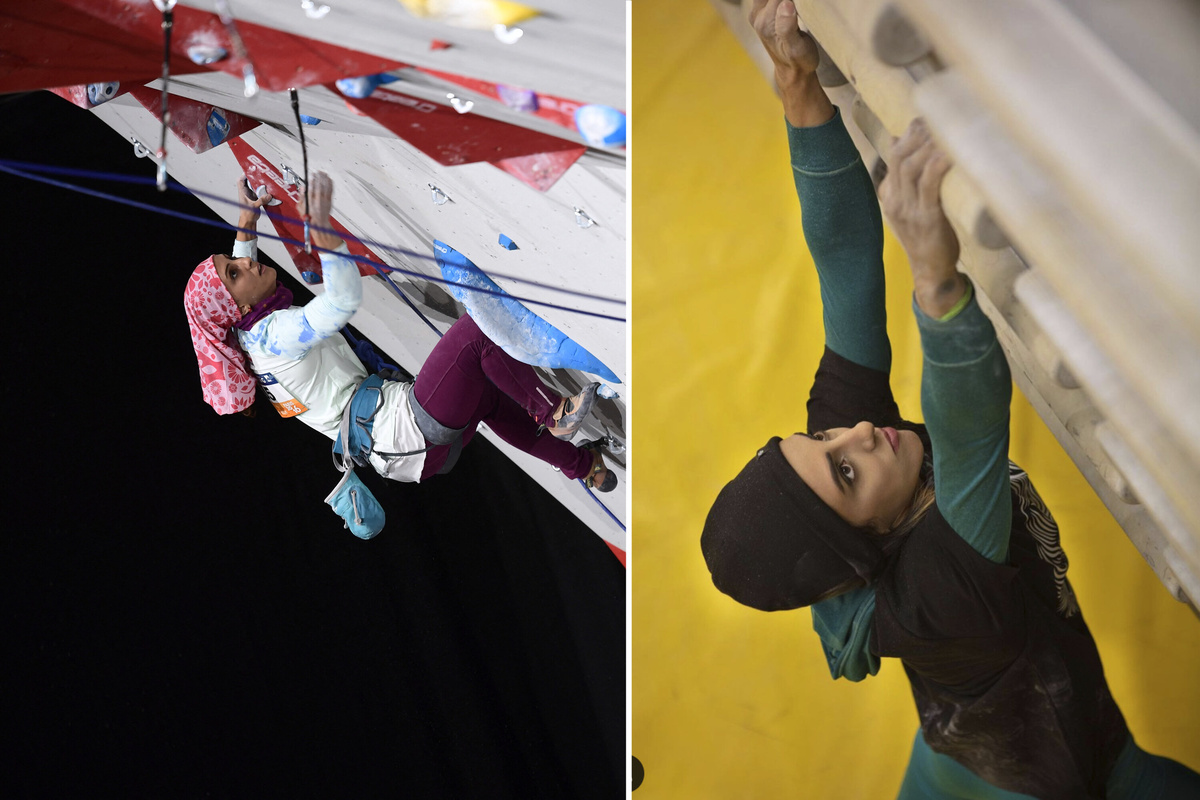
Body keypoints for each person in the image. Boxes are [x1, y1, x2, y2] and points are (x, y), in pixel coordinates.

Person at [700, 1, 1200, 797]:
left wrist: (795, 81)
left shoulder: (858, 474)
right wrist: (935, 279)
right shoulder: (942, 592)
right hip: (1047, 778)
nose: (859, 434)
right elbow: (971, 435)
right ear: (867, 543)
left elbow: (846, 275)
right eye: (846, 473)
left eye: (823, 444)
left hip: (945, 753)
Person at [183, 171, 614, 492]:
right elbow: (339, 304)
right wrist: (325, 234)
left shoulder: (245, 333)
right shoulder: (274, 334)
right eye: (236, 272)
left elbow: (236, 281)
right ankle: (553, 413)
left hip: (407, 452)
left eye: (233, 260)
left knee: (490, 397)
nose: (247, 264)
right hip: (406, 431)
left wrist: (246, 223)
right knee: (476, 334)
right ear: (238, 306)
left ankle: (585, 467)